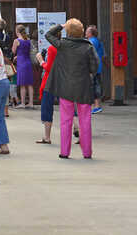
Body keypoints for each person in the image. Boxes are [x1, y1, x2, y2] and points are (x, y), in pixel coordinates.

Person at [45, 20, 99, 159]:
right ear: (81, 31)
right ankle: (87, 152)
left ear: (68, 31)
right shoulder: (88, 47)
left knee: (66, 120)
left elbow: (48, 35)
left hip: (65, 87)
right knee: (85, 120)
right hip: (84, 87)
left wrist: (60, 26)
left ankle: (65, 152)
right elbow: (94, 67)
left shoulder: (63, 44)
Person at [36, 44, 58, 145]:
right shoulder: (65, 47)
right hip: (63, 80)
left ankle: (47, 137)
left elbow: (49, 67)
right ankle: (77, 128)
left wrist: (41, 61)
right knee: (71, 108)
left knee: (47, 108)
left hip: (49, 82)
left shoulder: (52, 48)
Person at [12, 25, 34, 108]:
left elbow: (13, 51)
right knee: (30, 84)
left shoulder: (17, 40)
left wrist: (17, 56)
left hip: (21, 63)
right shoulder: (28, 40)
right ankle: (31, 103)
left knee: (22, 84)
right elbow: (26, 51)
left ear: (17, 31)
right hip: (28, 62)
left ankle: (23, 103)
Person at [86, 25, 105, 113]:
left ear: (91, 33)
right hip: (97, 66)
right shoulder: (95, 41)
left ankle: (97, 106)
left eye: (87, 31)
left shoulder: (92, 41)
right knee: (94, 85)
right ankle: (95, 105)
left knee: (94, 86)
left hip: (94, 67)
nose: (85, 32)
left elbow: (88, 53)